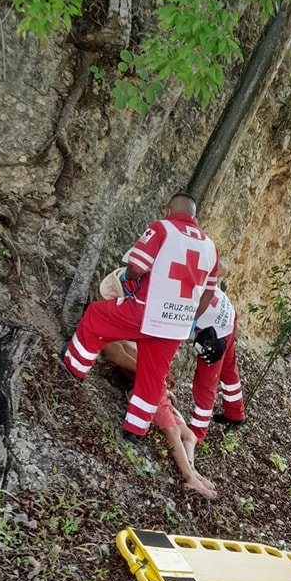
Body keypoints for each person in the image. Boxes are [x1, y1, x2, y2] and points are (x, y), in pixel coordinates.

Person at [60, 193, 219, 439]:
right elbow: (208, 294)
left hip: (146, 310)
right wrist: (188, 320)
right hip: (177, 324)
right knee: (154, 376)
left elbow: (136, 268)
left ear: (168, 210)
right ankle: (135, 429)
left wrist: (127, 280)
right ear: (193, 216)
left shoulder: (161, 228)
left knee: (96, 315)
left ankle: (73, 368)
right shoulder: (210, 247)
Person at [101, 337, 218, 500]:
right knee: (172, 430)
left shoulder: (137, 338)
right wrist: (157, 373)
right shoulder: (112, 341)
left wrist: (164, 374)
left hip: (159, 390)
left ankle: (193, 471)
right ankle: (189, 477)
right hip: (145, 389)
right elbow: (118, 358)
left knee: (190, 436)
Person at [188, 264, 245, 443]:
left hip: (215, 331)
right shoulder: (198, 255)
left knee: (205, 382)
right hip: (227, 313)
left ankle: (197, 432)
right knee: (228, 367)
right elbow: (223, 269)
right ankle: (235, 413)